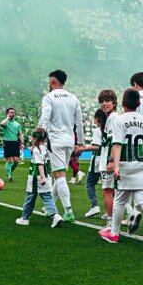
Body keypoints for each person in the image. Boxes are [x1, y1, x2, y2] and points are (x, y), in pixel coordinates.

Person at [101, 88, 143, 248]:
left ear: (122, 104)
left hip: (125, 166)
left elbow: (117, 145)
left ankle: (114, 233)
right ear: (139, 103)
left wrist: (115, 166)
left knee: (120, 200)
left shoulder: (119, 120)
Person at [38, 70, 84, 222]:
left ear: (52, 81)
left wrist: (40, 136)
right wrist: (80, 142)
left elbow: (45, 118)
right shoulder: (73, 98)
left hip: (55, 140)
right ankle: (49, 207)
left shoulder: (49, 97)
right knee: (59, 175)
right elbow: (79, 122)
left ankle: (68, 211)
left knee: (59, 175)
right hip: (69, 140)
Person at [16, 127, 60, 226]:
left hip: (37, 177)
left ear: (35, 138)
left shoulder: (37, 149)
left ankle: (25, 218)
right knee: (47, 197)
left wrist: (42, 177)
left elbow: (40, 164)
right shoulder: (47, 148)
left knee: (30, 196)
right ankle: (56, 216)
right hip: (48, 176)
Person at [85, 107, 110, 220]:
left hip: (97, 160)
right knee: (109, 186)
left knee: (90, 183)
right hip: (106, 159)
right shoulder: (108, 129)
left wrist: (82, 149)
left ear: (98, 119)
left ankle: (94, 205)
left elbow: (96, 146)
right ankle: (121, 209)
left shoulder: (97, 130)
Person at [0, 107, 24, 181]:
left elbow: (20, 134)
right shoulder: (6, 122)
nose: (12, 113)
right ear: (7, 113)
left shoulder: (17, 124)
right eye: (10, 112)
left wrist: (22, 143)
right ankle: (9, 176)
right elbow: (2, 123)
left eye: (13, 112)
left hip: (15, 142)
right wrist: (8, 117)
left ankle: (9, 172)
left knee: (16, 161)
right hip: (7, 142)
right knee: (9, 160)